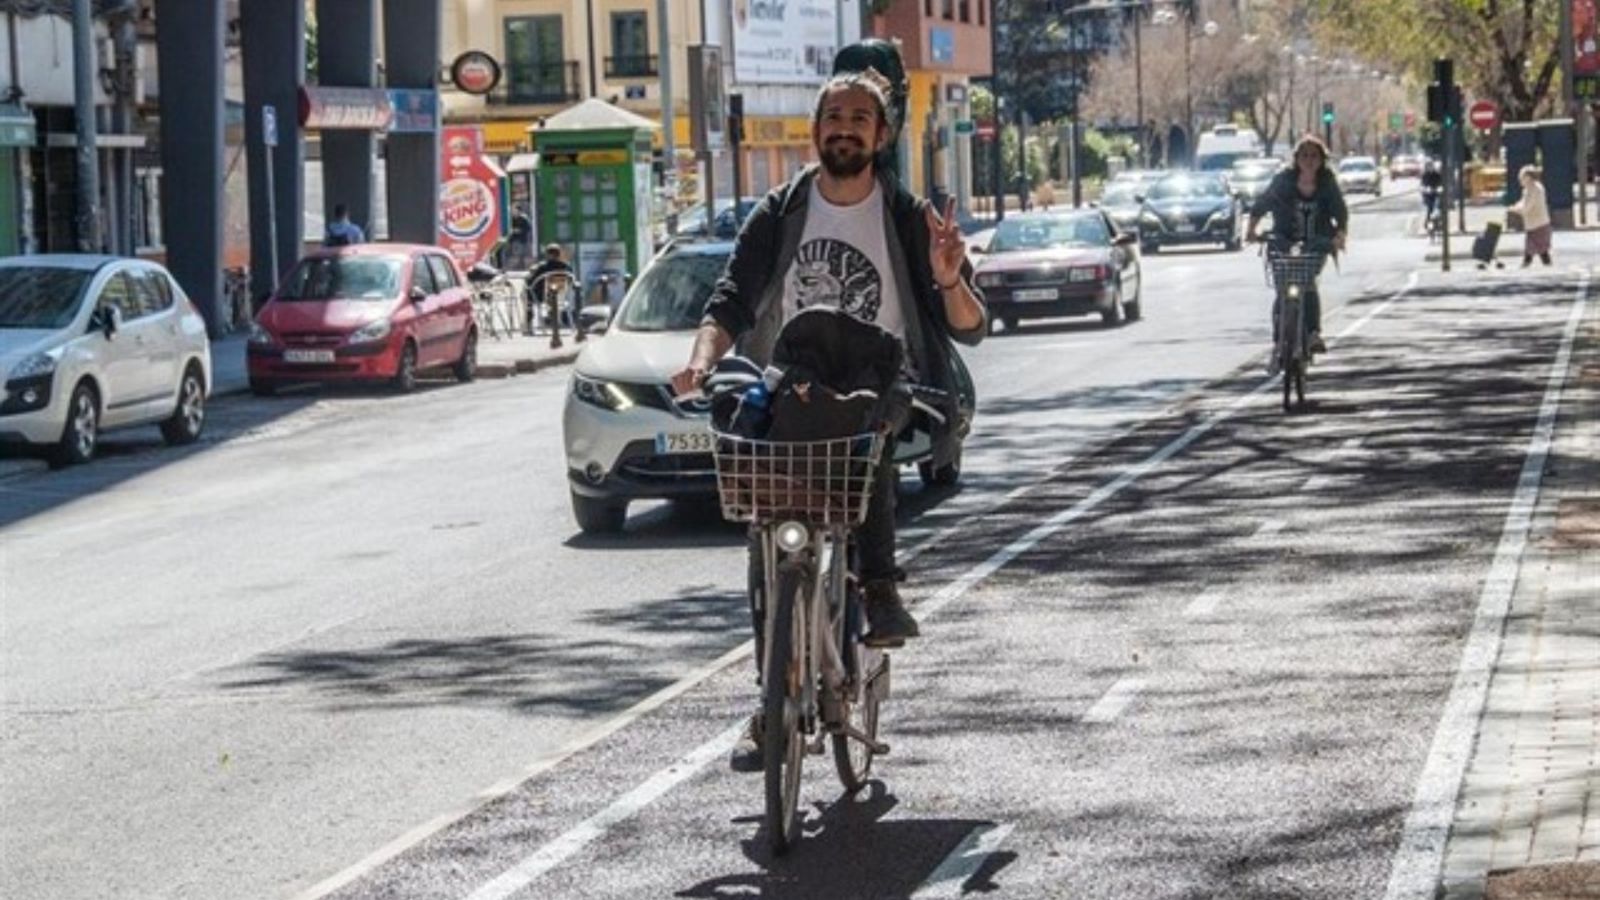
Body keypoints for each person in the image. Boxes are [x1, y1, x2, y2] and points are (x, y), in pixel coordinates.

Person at [669, 70, 987, 770]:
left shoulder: (906, 217)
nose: (845, 128)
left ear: (881, 134)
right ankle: (770, 702)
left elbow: (971, 326)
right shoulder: (781, 211)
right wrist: (699, 363)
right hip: (794, 380)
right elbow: (730, 301)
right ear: (816, 131)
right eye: (833, 116)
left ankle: (877, 587)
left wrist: (946, 273)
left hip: (881, 377)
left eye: (859, 118)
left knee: (866, 441)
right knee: (766, 545)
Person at [1244, 134, 1348, 365]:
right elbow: (1262, 204)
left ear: (1322, 159)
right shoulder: (1284, 181)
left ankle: (1312, 333)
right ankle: (1278, 340)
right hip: (1283, 241)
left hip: (1315, 243)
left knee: (1308, 285)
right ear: (1296, 159)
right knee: (1282, 289)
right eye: (1304, 155)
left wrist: (1339, 235)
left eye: (1314, 156)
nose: (1309, 160)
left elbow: (1340, 212)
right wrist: (1252, 230)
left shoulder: (1327, 183)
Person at [524, 243, 574, 335]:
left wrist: (529, 278)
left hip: (543, 298)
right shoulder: (567, 267)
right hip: (560, 297)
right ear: (559, 254)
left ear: (549, 255)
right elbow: (571, 281)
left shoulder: (543, 267)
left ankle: (528, 325)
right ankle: (553, 318)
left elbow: (531, 282)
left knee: (528, 294)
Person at [1509, 165, 1553, 267]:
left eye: (1522, 177)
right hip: (1533, 225)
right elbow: (1524, 202)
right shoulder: (1528, 189)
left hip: (1539, 225)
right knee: (1536, 250)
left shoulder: (1536, 189)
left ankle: (1527, 265)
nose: (1520, 180)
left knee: (1539, 250)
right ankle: (1531, 264)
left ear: (1528, 177)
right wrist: (1515, 207)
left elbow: (1527, 207)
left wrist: (1516, 210)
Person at [1420, 160, 1444, 230]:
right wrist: (1425, 189)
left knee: (1437, 206)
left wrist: (1440, 188)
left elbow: (1440, 183)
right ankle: (1427, 222)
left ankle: (1439, 221)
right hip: (1428, 195)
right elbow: (1422, 184)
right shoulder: (1424, 175)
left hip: (1436, 194)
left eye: (1431, 166)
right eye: (1428, 166)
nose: (1430, 168)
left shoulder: (1437, 175)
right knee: (1429, 208)